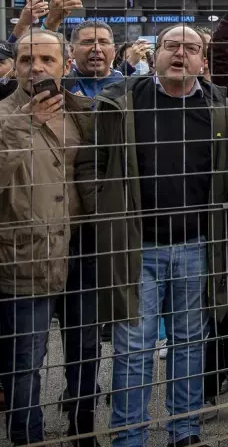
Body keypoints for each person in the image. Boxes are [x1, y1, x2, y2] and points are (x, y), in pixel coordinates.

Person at [76, 24, 228, 447]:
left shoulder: (220, 108)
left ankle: (183, 430)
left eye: (190, 48)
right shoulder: (122, 103)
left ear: (202, 61)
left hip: (195, 247)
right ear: (155, 55)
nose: (180, 54)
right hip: (137, 247)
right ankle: (128, 434)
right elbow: (89, 167)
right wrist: (107, 214)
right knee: (134, 347)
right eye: (172, 46)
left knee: (190, 345)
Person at [0, 29, 97, 446]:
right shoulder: (5, 114)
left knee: (86, 351)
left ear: (65, 65)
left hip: (81, 251)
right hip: (26, 256)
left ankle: (84, 427)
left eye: (46, 59)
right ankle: (27, 438)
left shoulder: (83, 111)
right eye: (26, 60)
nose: (36, 67)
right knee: (25, 362)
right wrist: (26, 123)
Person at [64, 20, 125, 99]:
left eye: (103, 42)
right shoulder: (61, 87)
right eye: (88, 42)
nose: (97, 49)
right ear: (72, 51)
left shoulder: (128, 87)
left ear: (114, 51)